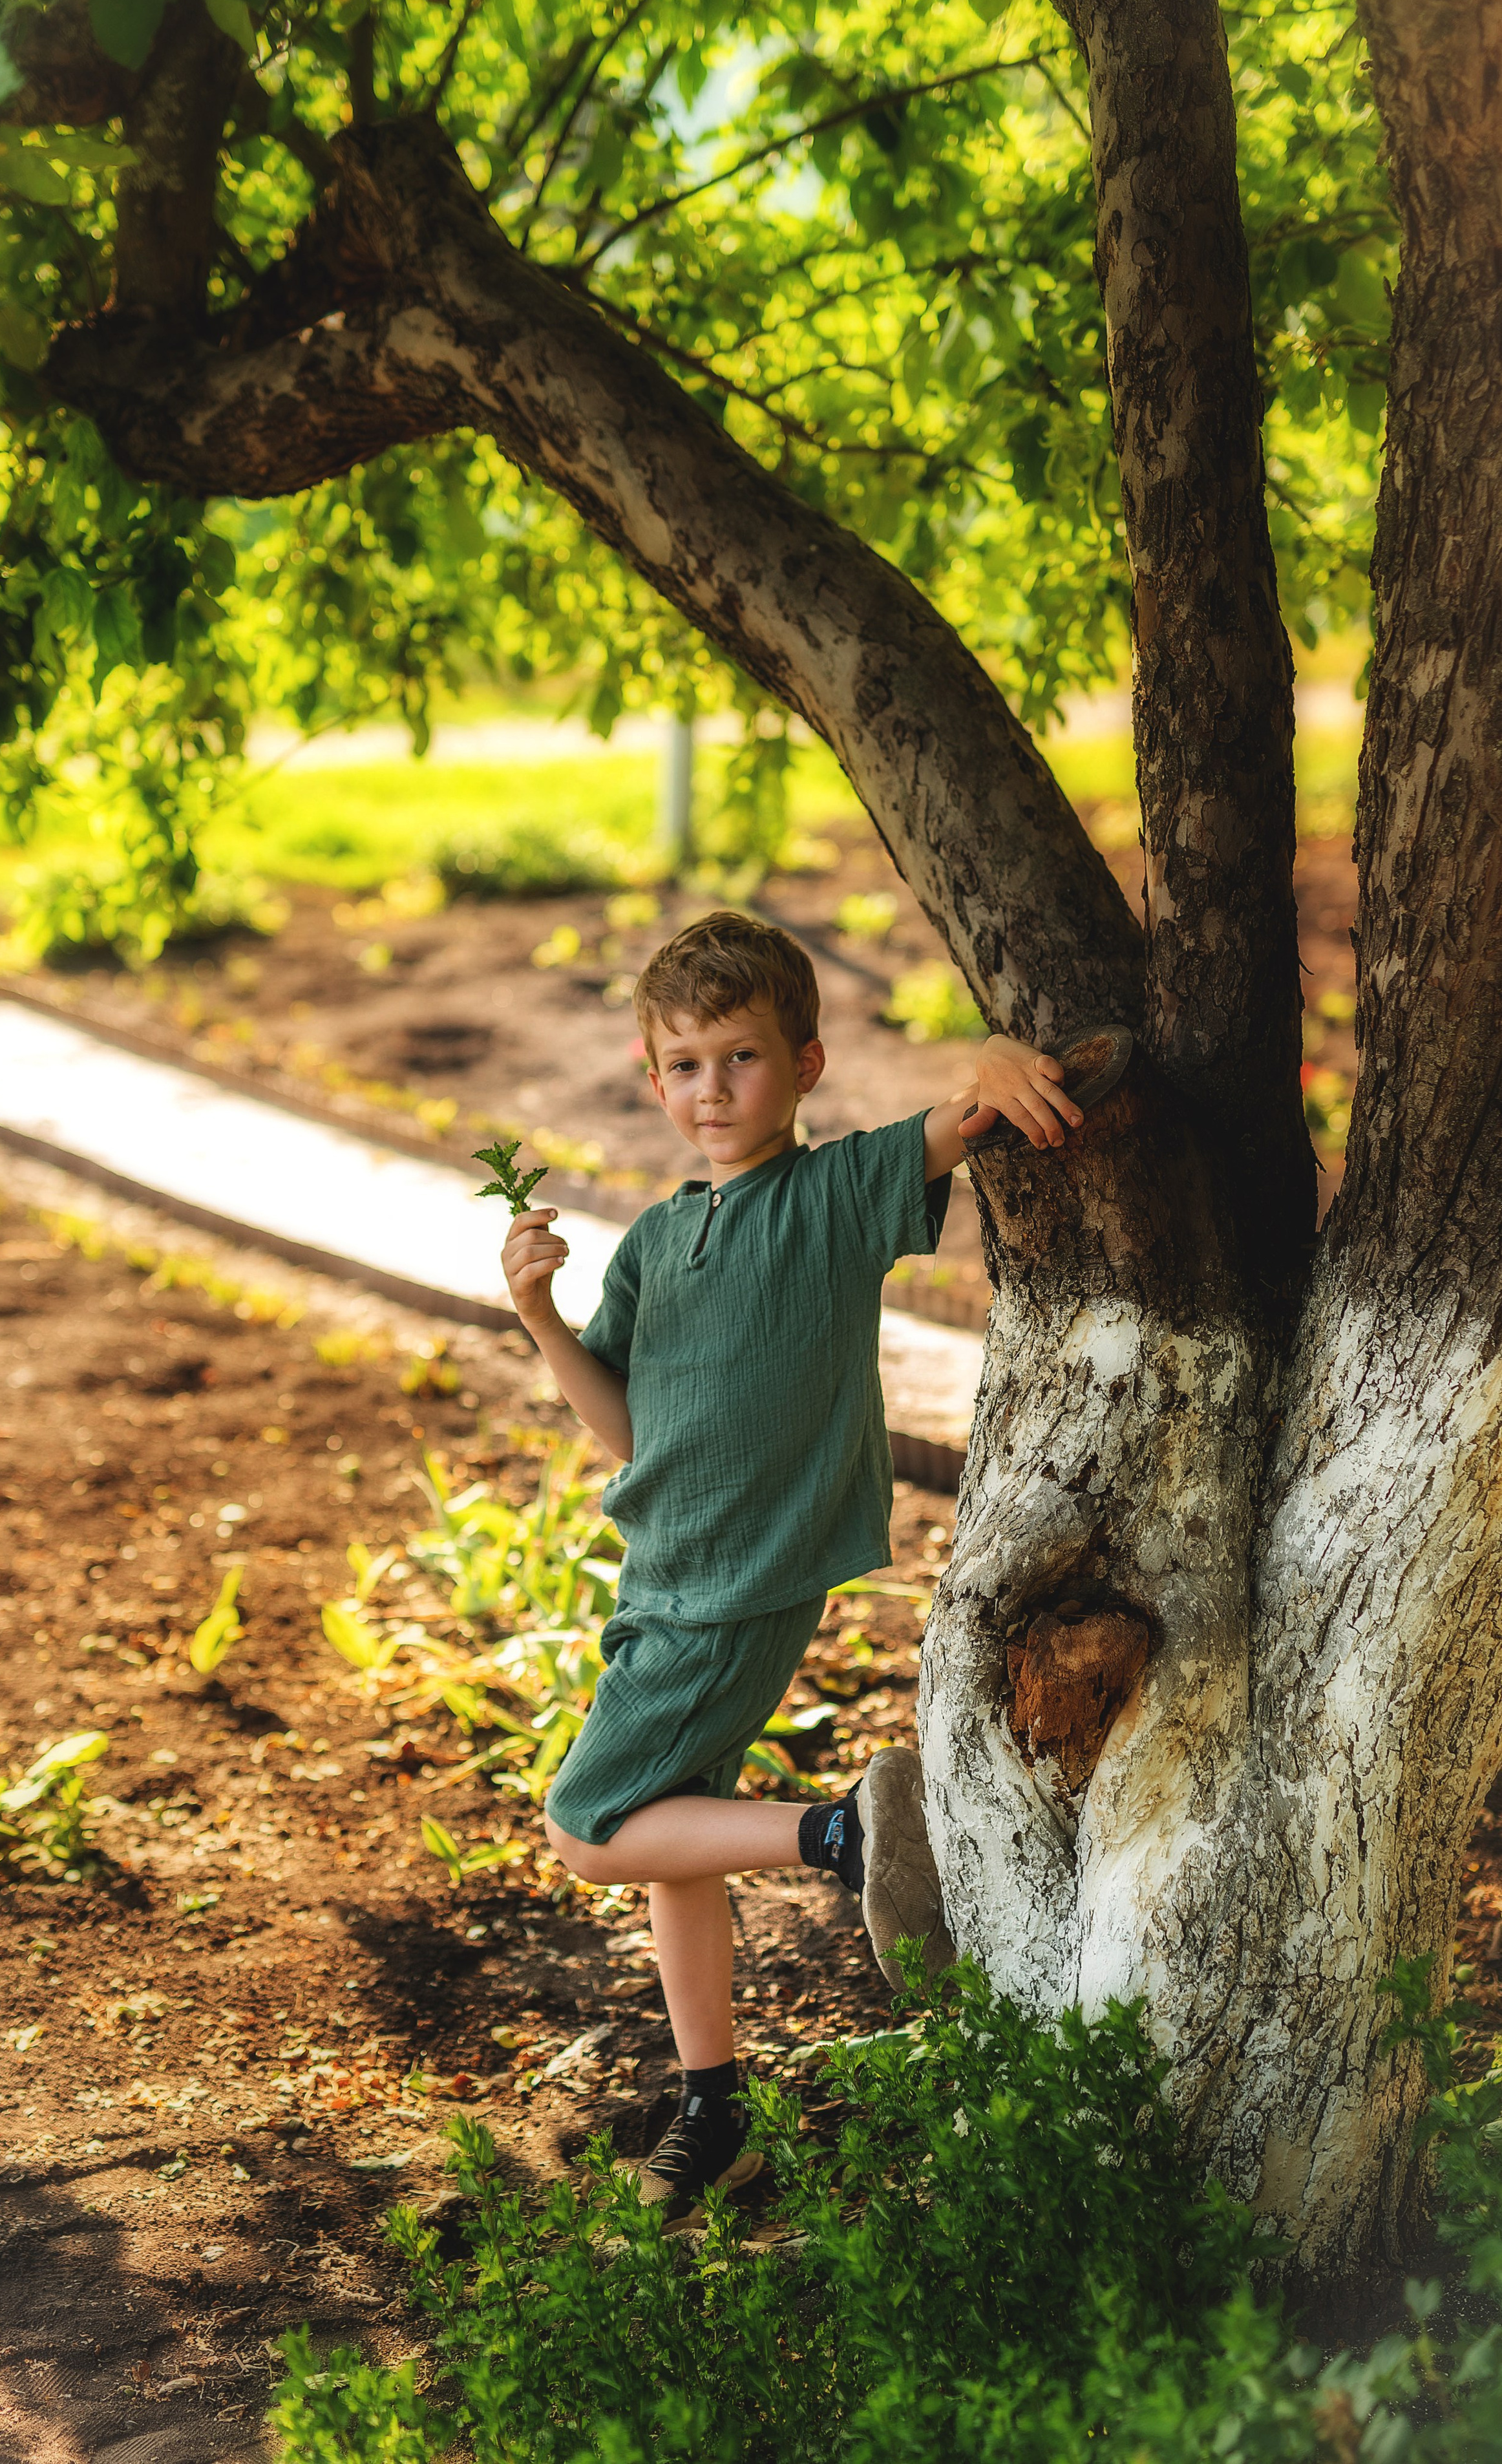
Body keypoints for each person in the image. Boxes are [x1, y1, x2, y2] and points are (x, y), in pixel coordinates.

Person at [499, 909, 1082, 2217]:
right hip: (664, 1570)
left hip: (735, 1582)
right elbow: (624, 1423)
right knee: (667, 1838)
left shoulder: (826, 1199)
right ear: (653, 1079)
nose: (714, 1090)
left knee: (587, 1826)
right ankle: (715, 2108)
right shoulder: (654, 1239)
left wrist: (989, 1058)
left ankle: (839, 1831)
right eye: (687, 1064)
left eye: (742, 1058)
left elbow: (959, 1121)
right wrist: (539, 1311)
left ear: (805, 1065)